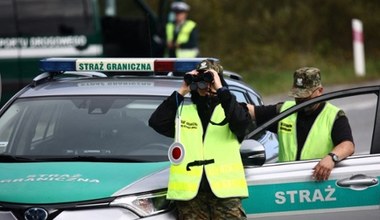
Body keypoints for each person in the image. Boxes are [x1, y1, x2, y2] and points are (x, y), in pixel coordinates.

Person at [149, 59, 251, 219]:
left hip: (225, 194)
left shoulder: (231, 110)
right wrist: (182, 89)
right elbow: (156, 122)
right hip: (191, 196)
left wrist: (221, 89)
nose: (205, 85)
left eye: (209, 79)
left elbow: (241, 124)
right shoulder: (184, 113)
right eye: (201, 79)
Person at [247, 67, 355, 181]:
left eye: (305, 96)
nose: (300, 100)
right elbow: (251, 111)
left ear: (320, 91)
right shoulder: (284, 110)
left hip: (318, 184)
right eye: (297, 96)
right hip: (287, 183)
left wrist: (332, 158)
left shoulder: (334, 116)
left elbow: (348, 145)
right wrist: (227, 99)